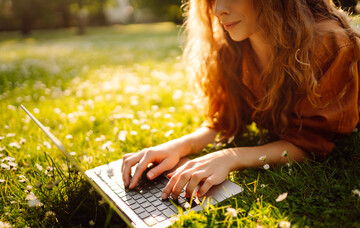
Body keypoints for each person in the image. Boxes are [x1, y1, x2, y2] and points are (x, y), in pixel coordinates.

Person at [122, 0, 360, 200]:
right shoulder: (232, 45)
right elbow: (225, 120)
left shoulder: (330, 43)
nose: (218, 9)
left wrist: (231, 157)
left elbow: (313, 144)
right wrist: (178, 146)